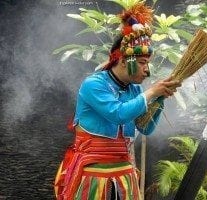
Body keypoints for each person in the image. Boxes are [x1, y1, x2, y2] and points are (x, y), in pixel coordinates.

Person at [54, 2, 181, 200]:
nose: (147, 70)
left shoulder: (135, 90)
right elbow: (118, 114)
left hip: (124, 176)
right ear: (123, 61)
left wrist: (160, 98)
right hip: (92, 175)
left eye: (147, 63)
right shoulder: (93, 84)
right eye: (142, 63)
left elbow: (145, 128)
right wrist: (150, 93)